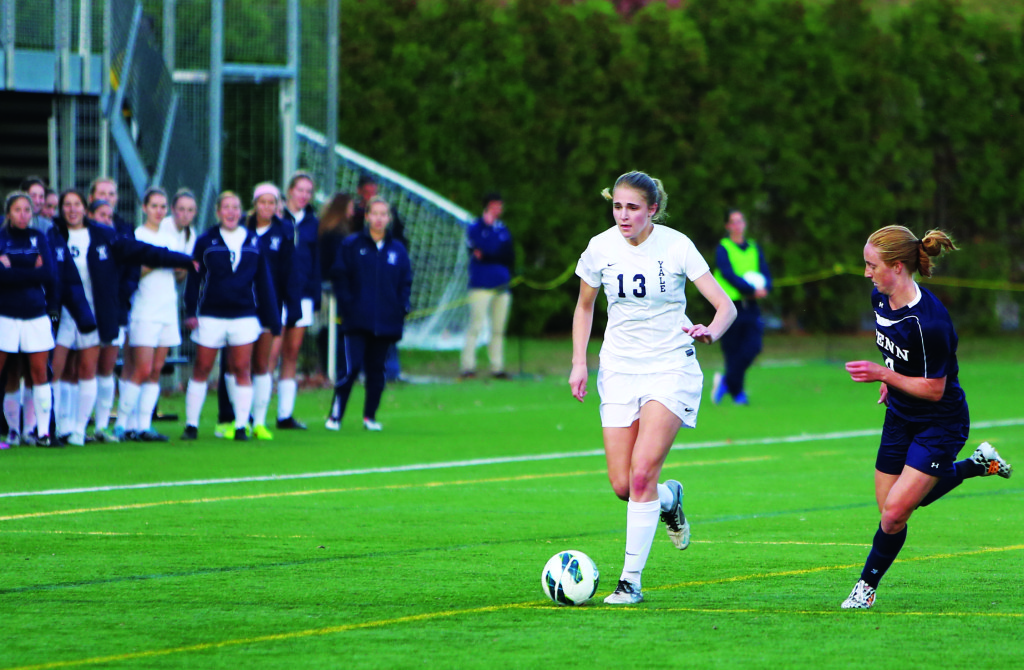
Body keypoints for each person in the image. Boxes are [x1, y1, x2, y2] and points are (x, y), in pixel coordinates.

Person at [568, 171, 737, 605]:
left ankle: (630, 581)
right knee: (624, 485)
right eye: (618, 206)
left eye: (633, 208)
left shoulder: (677, 245)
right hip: (619, 370)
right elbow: (585, 307)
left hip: (670, 367)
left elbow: (725, 306)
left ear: (652, 210)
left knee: (642, 472)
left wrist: (711, 333)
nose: (623, 216)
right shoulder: (599, 247)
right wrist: (578, 363)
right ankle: (670, 499)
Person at [840, 225, 1013, 609]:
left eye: (872, 265)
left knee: (895, 513)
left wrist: (885, 375)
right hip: (900, 416)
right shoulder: (879, 299)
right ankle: (978, 465)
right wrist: (893, 379)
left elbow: (935, 388)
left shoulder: (930, 323)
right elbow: (899, 355)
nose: (867, 273)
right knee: (894, 509)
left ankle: (865, 587)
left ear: (897, 267)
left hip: (941, 421)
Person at [49, 189, 194, 446]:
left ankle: (79, 431)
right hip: (64, 313)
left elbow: (145, 253)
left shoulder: (104, 236)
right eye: (67, 205)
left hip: (92, 314)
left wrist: (185, 259)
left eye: (77, 204)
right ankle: (59, 426)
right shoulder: (53, 236)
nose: (72, 209)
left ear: (84, 209)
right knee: (58, 369)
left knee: (87, 369)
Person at [182, 191, 281, 441]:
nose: (231, 212)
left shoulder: (252, 240)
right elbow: (195, 279)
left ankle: (240, 426)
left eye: (235, 207)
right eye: (226, 207)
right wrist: (190, 310)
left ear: (242, 211)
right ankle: (191, 425)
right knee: (203, 367)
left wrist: (272, 318)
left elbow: (264, 282)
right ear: (218, 212)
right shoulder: (206, 241)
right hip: (211, 314)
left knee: (241, 368)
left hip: (244, 315)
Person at [213, 183, 299, 441]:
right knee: (234, 363)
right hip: (240, 305)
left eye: (272, 202)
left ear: (278, 206)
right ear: (254, 204)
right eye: (262, 202)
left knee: (262, 363)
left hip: (269, 306)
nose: (267, 207)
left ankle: (258, 422)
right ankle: (233, 418)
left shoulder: (284, 232)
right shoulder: (240, 230)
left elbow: (289, 273)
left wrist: (289, 307)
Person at [326, 196, 412, 432]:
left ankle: (369, 417)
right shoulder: (352, 245)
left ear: (389, 218)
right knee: (350, 369)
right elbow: (340, 276)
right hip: (356, 320)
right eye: (375, 213)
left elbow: (405, 282)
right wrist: (347, 305)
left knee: (377, 370)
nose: (379, 218)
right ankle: (335, 416)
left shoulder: (398, 250)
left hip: (386, 321)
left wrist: (402, 306)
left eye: (384, 214)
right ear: (366, 217)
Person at [110, 187, 187, 442]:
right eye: (154, 206)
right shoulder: (136, 236)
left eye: (163, 207)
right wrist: (159, 260)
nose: (159, 211)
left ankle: (144, 425)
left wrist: (179, 267)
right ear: (144, 208)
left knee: (155, 370)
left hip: (167, 309)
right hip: (144, 309)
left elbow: (179, 273)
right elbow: (135, 272)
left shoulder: (171, 237)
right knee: (139, 369)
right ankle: (122, 424)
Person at [0, 192, 62, 447]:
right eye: (17, 210)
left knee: (39, 372)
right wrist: (30, 271)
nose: (23, 214)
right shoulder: (2, 238)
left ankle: (42, 432)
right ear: (8, 213)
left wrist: (11, 269)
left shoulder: (39, 237)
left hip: (36, 313)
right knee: (7, 372)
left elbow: (48, 273)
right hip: (5, 314)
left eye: (27, 210)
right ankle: (13, 430)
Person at [710, 209, 772, 405]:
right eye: (733, 222)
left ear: (744, 224)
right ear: (728, 226)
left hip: (750, 306)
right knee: (732, 351)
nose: (737, 226)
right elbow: (727, 274)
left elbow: (764, 271)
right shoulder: (724, 248)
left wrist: (766, 287)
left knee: (753, 347)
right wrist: (750, 289)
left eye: (740, 221)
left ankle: (725, 382)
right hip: (729, 305)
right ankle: (738, 394)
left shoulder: (754, 247)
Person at [276, 171, 320, 430]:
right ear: (290, 190)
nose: (303, 195)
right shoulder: (278, 218)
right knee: (269, 354)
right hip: (279, 294)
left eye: (308, 191)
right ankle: (251, 415)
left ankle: (285, 415)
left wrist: (314, 295)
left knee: (291, 353)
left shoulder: (313, 223)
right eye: (300, 189)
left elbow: (315, 262)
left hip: (302, 295)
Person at [460, 193, 515, 380]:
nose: (498, 209)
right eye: (495, 205)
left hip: (501, 284)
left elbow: (507, 254)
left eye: (500, 205)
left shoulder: (502, 229)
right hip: (481, 285)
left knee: (498, 328)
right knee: (476, 325)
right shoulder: (475, 227)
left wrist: (491, 255)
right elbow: (479, 250)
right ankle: (468, 366)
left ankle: (497, 367)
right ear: (487, 206)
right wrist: (492, 254)